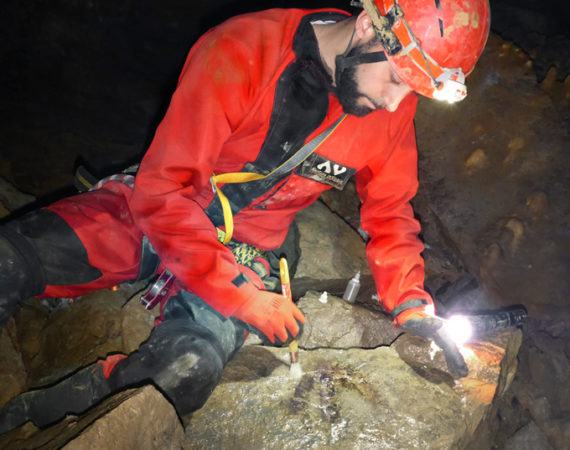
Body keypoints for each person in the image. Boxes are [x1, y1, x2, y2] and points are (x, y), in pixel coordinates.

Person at [0, 0, 490, 433]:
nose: (393, 103)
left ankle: (31, 421)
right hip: (159, 212)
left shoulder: (388, 112)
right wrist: (240, 297)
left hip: (252, 244)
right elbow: (163, 190)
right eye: (398, 80)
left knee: (182, 372)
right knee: (11, 259)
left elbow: (391, 211)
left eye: (412, 94)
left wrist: (411, 304)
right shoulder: (245, 48)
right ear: (367, 27)